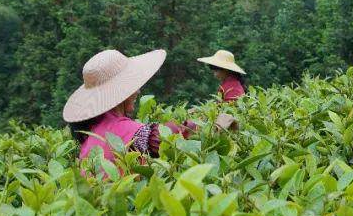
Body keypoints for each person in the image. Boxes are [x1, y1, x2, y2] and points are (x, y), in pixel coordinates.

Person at [63, 48, 231, 171]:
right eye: (133, 86)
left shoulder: (89, 136)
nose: (138, 91)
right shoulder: (131, 133)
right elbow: (171, 137)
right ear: (121, 93)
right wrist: (215, 127)